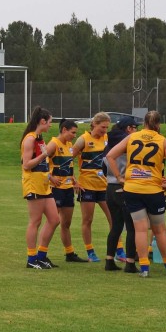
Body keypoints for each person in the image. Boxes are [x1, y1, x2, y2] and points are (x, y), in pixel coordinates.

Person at [106, 111, 166, 278]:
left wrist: (119, 177)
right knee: (160, 229)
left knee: (140, 230)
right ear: (158, 124)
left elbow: (110, 155)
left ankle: (145, 269)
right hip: (153, 190)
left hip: (132, 189)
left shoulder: (132, 137)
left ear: (145, 123)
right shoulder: (162, 140)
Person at [20, 107, 61, 270]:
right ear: (42, 121)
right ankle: (31, 258)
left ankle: (41, 255)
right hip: (33, 184)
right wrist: (44, 155)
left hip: (44, 184)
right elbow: (27, 164)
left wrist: (50, 177)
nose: (51, 125)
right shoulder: (29, 139)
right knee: (35, 221)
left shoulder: (40, 138)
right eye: (50, 122)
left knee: (54, 219)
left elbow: (42, 164)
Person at [70, 112, 112, 264]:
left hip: (104, 186)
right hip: (87, 186)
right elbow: (68, 160)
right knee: (88, 220)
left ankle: (119, 250)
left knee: (113, 218)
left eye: (107, 127)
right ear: (94, 124)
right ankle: (90, 251)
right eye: (103, 127)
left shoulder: (107, 139)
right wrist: (74, 180)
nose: (105, 130)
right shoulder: (83, 140)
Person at [103, 117, 140, 272]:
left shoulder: (109, 142)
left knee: (116, 226)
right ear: (129, 128)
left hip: (110, 187)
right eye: (135, 128)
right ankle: (130, 263)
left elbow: (103, 167)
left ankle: (109, 260)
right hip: (123, 186)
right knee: (131, 228)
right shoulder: (127, 142)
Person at [48, 119, 86, 263]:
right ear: (64, 130)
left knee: (66, 223)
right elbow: (40, 162)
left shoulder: (69, 145)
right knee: (53, 221)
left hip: (68, 189)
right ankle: (42, 252)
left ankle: (69, 253)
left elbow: (68, 166)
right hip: (56, 189)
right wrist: (51, 178)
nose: (74, 136)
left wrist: (74, 180)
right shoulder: (53, 144)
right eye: (73, 132)